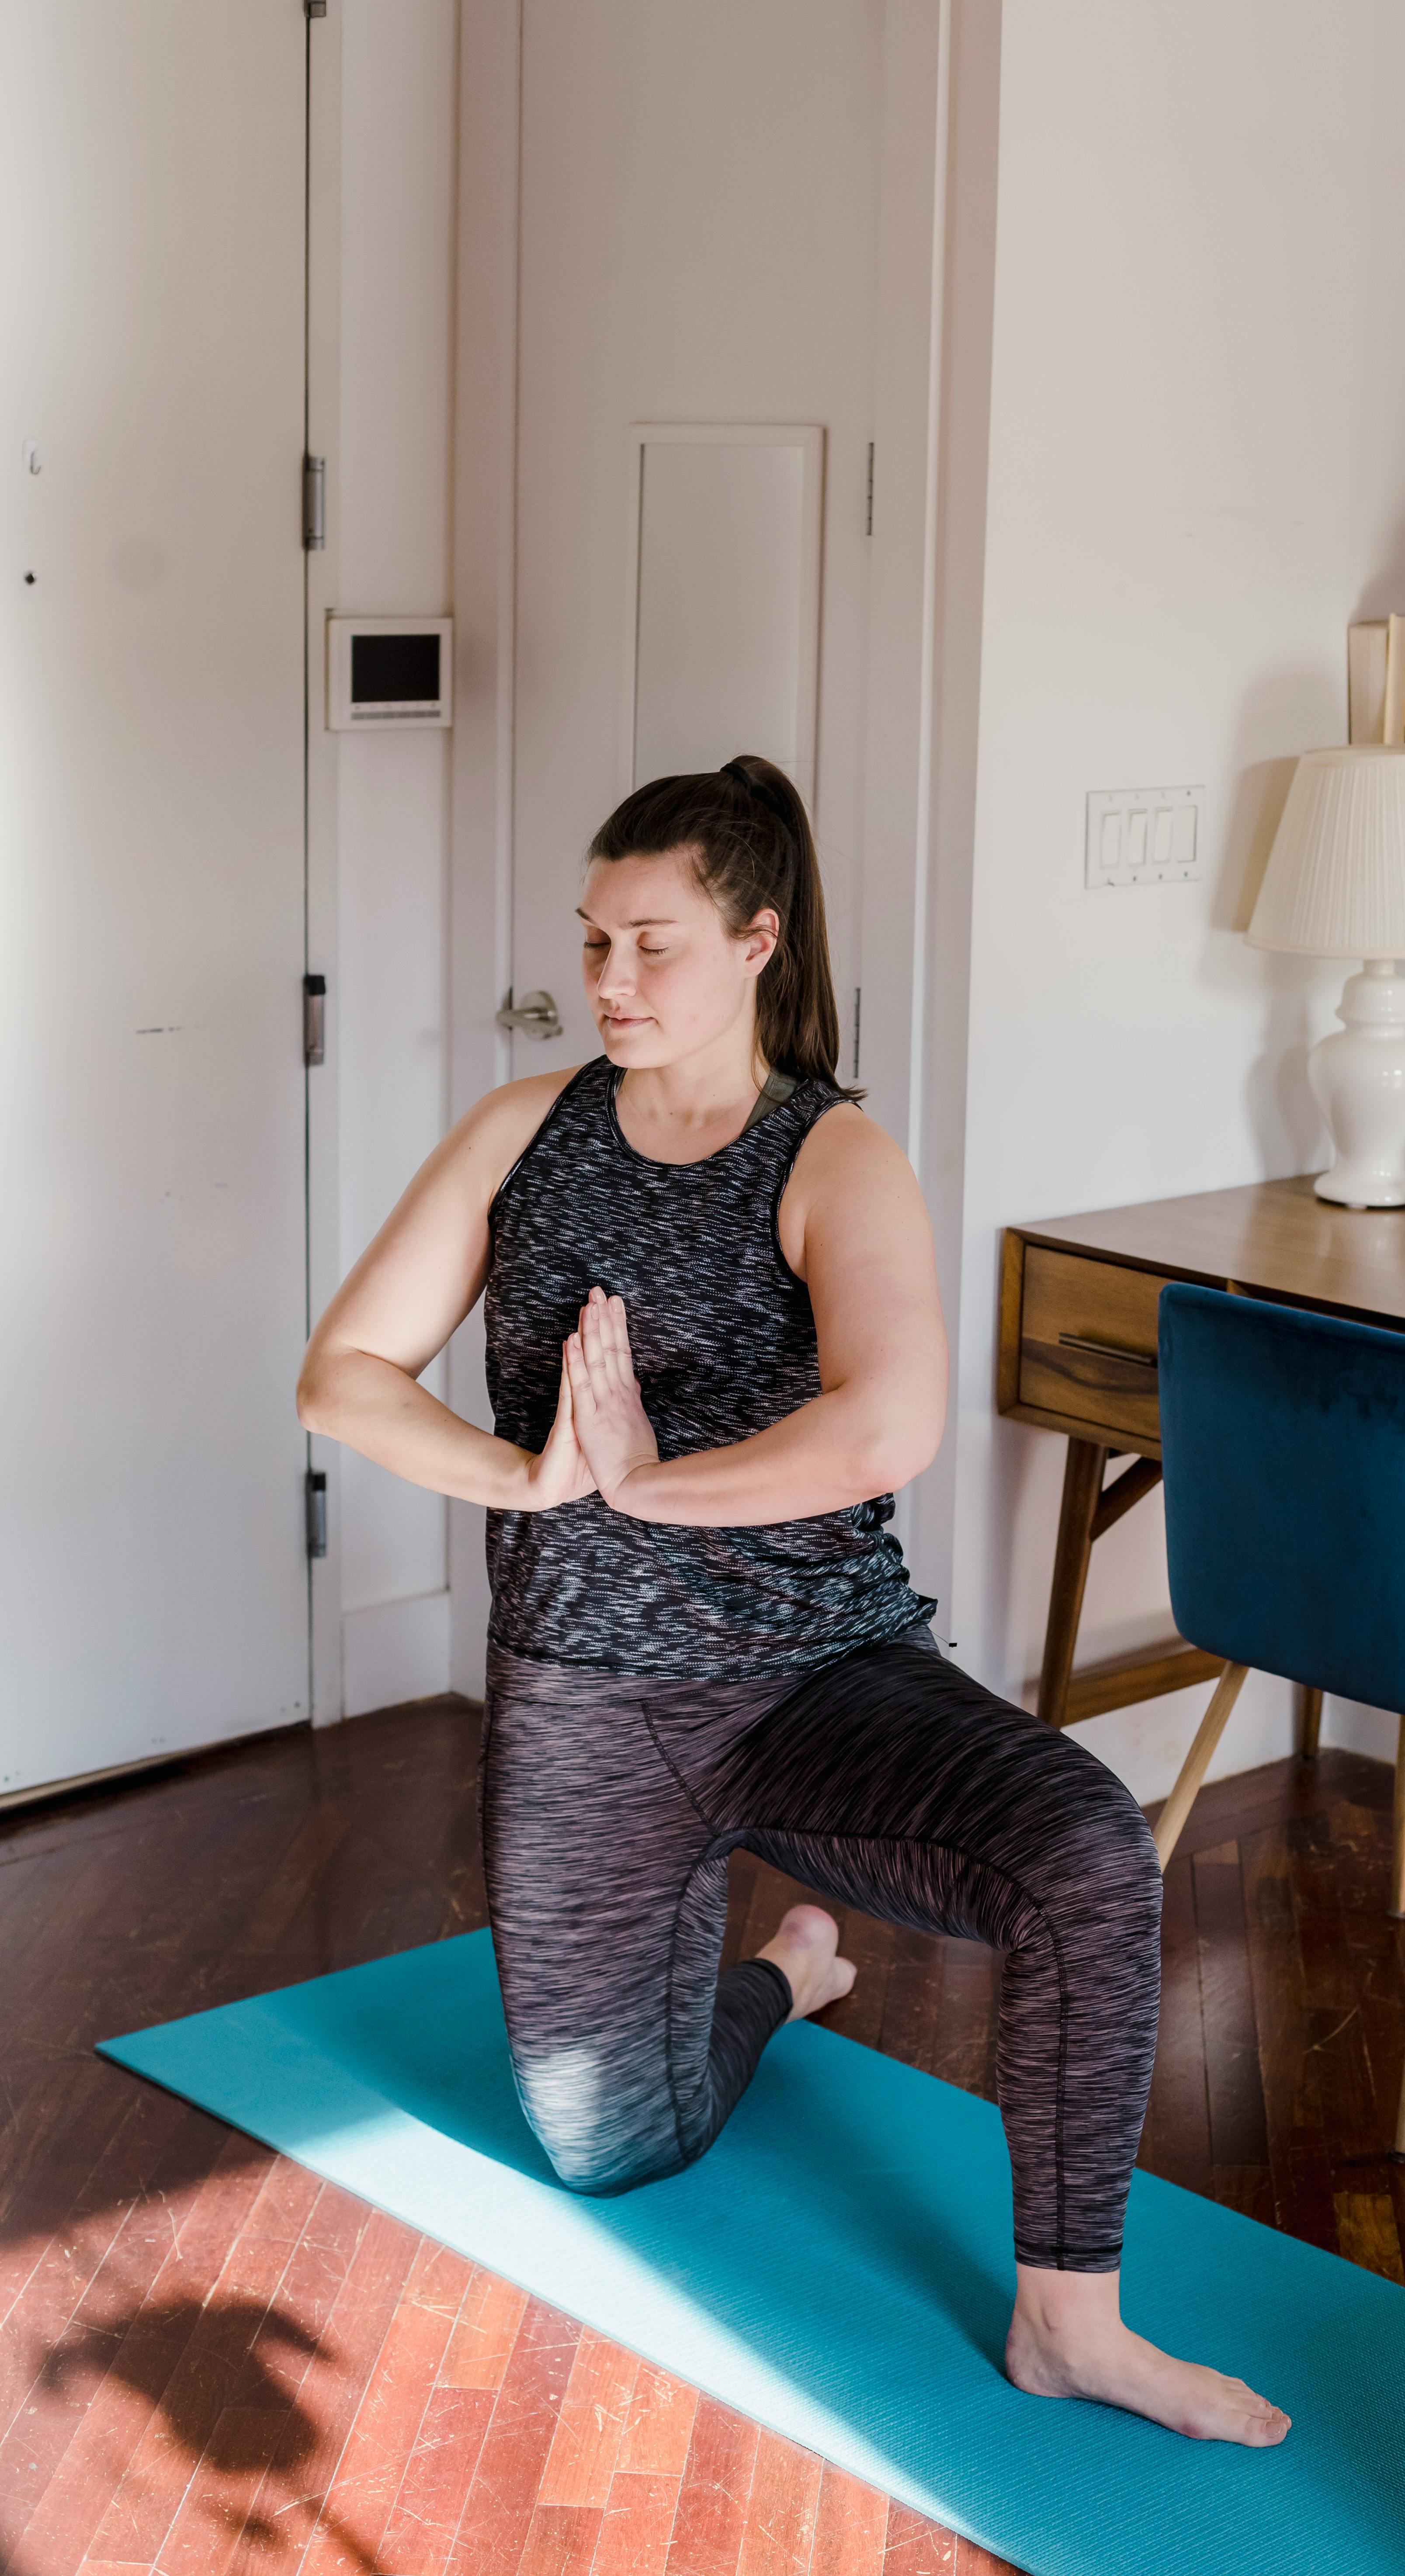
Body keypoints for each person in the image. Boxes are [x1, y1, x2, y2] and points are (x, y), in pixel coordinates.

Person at [298, 755, 1289, 2448]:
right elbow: (342, 1377)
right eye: (593, 940)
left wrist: (645, 1481)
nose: (609, 980)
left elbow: (884, 1423)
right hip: (587, 1701)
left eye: (653, 945)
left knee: (1085, 1853)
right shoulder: (522, 1134)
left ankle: (1069, 2323)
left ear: (757, 942)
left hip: (816, 1681)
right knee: (611, 2149)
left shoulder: (831, 1157)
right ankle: (782, 1981)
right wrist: (528, 1477)